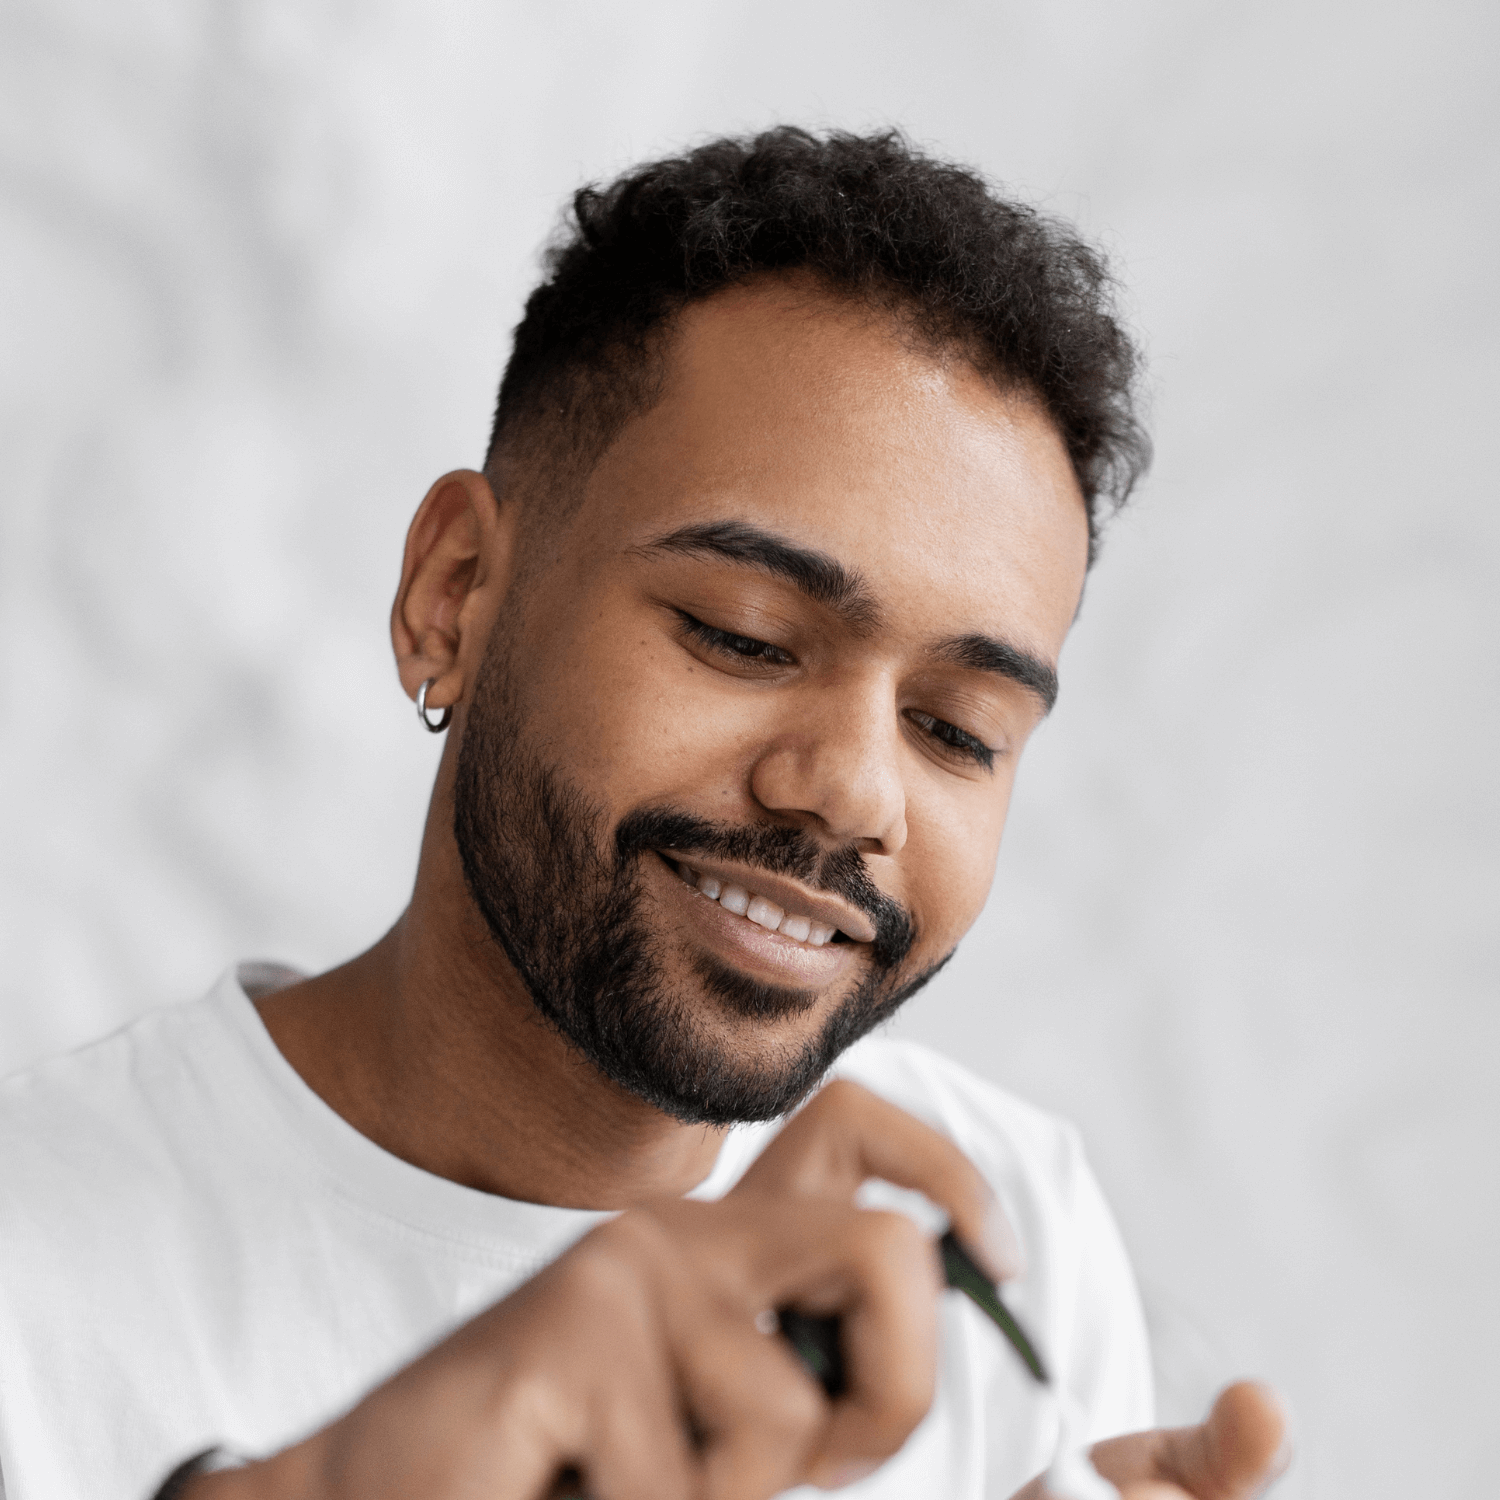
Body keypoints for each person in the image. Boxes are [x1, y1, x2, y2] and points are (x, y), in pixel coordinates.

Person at [0, 128, 1288, 1500]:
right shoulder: (36, 1282)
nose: (854, 792)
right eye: (741, 637)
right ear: (456, 595)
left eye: (956, 730)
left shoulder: (998, 1225)